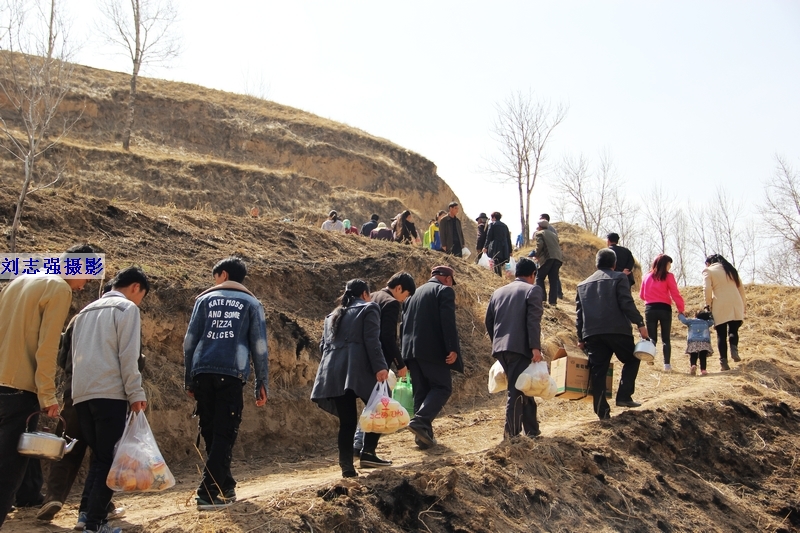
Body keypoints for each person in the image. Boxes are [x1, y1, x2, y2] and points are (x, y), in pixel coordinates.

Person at [0, 244, 95, 528]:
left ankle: (30, 493)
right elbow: (47, 347)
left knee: (14, 453)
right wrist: (47, 395)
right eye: (86, 277)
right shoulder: (58, 288)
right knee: (6, 470)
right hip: (21, 387)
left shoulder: (19, 281)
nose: (83, 286)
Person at [37, 285, 131, 526]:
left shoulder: (79, 318)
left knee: (68, 447)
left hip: (74, 392)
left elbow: (61, 357)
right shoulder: (121, 314)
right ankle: (94, 510)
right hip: (105, 392)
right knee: (102, 453)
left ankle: (54, 496)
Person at [184, 257, 269, 510]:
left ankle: (226, 485)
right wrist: (261, 382)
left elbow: (189, 342)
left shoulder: (203, 300)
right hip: (231, 374)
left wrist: (189, 378)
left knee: (211, 432)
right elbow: (260, 347)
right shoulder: (252, 303)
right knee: (224, 433)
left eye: (215, 276)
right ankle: (208, 493)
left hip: (202, 372)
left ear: (223, 274)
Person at [72, 266, 150, 533]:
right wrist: (136, 393)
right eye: (141, 295)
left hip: (82, 394)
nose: (139, 301)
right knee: (109, 459)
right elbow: (128, 356)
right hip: (110, 393)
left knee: (100, 457)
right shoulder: (126, 309)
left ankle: (86, 516)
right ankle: (94, 524)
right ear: (136, 287)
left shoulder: (84, 312)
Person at [311, 279, 389, 477]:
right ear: (365, 294)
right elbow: (372, 341)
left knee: (347, 422)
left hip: (332, 371)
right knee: (378, 407)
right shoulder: (368, 308)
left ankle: (347, 467)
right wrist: (380, 366)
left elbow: (323, 346)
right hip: (358, 370)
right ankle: (368, 453)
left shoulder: (332, 315)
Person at [576, 248, 650, 420]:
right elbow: (626, 303)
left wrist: (580, 338)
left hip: (592, 334)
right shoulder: (619, 277)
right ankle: (624, 396)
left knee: (598, 371)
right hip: (617, 330)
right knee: (632, 358)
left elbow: (579, 315)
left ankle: (602, 412)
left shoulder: (582, 285)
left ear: (596, 264)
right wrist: (640, 323)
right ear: (614, 264)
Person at [353, 272, 416, 457]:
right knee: (380, 406)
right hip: (377, 363)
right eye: (405, 295)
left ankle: (358, 445)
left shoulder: (371, 297)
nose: (404, 300)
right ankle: (366, 450)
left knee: (372, 404)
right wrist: (400, 363)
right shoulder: (391, 303)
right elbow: (387, 338)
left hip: (362, 359)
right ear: (398, 288)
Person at [401, 266, 462, 448]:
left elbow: (403, 327)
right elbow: (447, 321)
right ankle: (420, 421)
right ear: (447, 279)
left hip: (411, 352)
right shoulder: (444, 291)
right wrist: (451, 348)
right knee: (442, 387)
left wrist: (404, 358)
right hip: (432, 351)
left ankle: (423, 438)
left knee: (421, 392)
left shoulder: (411, 296)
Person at [484, 258, 544, 438]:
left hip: (501, 347)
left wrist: (498, 341)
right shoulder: (533, 290)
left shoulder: (499, 292)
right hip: (520, 347)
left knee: (524, 386)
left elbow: (489, 321)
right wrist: (535, 347)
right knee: (517, 391)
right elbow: (533, 321)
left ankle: (532, 430)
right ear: (533, 275)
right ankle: (511, 435)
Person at [639, 254, 685, 372]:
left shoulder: (646, 276)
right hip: (664, 308)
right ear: (665, 264)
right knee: (666, 339)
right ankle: (667, 365)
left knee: (652, 337)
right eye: (669, 264)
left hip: (650, 308)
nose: (670, 266)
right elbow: (675, 293)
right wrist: (681, 308)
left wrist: (651, 298)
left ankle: (650, 357)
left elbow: (642, 295)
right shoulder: (668, 276)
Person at [703, 254, 746, 371]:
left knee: (721, 334)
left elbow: (707, 289)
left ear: (709, 263)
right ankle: (734, 350)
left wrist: (707, 304)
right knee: (733, 330)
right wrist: (744, 306)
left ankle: (724, 362)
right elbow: (741, 289)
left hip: (720, 303)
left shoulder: (709, 270)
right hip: (736, 302)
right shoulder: (731, 270)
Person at [534, 218, 563, 306]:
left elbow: (540, 245)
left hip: (548, 257)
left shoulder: (539, 233)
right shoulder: (554, 234)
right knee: (553, 280)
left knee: (539, 277)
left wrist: (536, 254)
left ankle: (542, 299)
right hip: (558, 258)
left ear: (540, 227)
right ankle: (553, 302)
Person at [678, 311, 715, 376]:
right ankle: (703, 370)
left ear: (696, 316)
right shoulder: (707, 322)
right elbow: (712, 321)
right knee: (703, 356)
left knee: (693, 355)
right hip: (704, 342)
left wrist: (680, 314)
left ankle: (693, 365)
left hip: (693, 341)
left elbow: (683, 320)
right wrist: (711, 314)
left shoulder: (691, 321)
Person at [483, 212, 513, 277]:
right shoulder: (505, 226)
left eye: (491, 218)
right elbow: (508, 239)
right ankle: (499, 276)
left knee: (496, 263)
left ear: (494, 217)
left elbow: (489, 237)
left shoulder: (492, 225)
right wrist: (510, 251)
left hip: (495, 247)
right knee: (499, 264)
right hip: (504, 247)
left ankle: (498, 277)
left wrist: (485, 247)